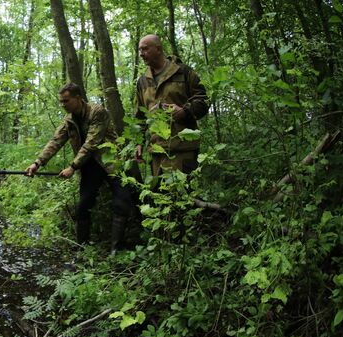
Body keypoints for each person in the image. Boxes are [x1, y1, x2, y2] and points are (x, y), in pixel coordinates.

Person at [26, 82, 134, 252]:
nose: (63, 105)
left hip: (111, 162)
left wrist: (72, 166)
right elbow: (55, 142)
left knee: (122, 202)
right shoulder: (69, 120)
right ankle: (81, 248)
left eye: (66, 101)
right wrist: (37, 163)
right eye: (61, 101)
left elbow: (92, 143)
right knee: (83, 206)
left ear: (78, 98)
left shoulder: (98, 112)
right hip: (89, 166)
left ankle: (116, 250)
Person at [134, 34, 209, 177]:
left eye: (145, 49)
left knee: (185, 196)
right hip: (157, 152)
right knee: (160, 197)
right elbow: (139, 116)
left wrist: (184, 112)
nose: (141, 54)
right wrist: (139, 143)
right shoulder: (142, 82)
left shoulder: (183, 72)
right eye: (139, 50)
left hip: (183, 149)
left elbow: (203, 101)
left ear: (158, 49)